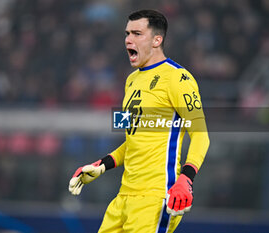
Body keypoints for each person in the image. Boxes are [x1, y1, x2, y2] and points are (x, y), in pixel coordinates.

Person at [69, 9, 210, 233]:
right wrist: (102, 164)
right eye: (127, 33)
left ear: (157, 40)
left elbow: (201, 135)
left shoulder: (178, 78)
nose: (128, 40)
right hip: (123, 197)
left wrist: (186, 178)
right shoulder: (131, 81)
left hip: (155, 198)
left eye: (137, 33)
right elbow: (133, 139)